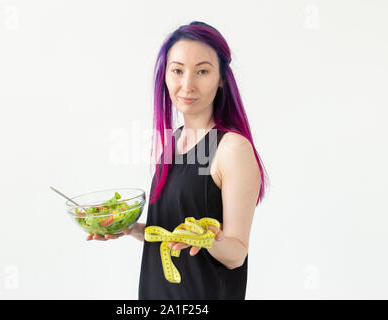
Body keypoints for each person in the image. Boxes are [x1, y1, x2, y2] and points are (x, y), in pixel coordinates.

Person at [87, 21, 269, 300]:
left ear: (221, 78)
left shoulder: (232, 148)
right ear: (165, 75)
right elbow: (171, 234)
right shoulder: (175, 142)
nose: (187, 85)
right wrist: (128, 228)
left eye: (202, 71)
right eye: (177, 70)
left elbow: (236, 255)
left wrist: (207, 238)